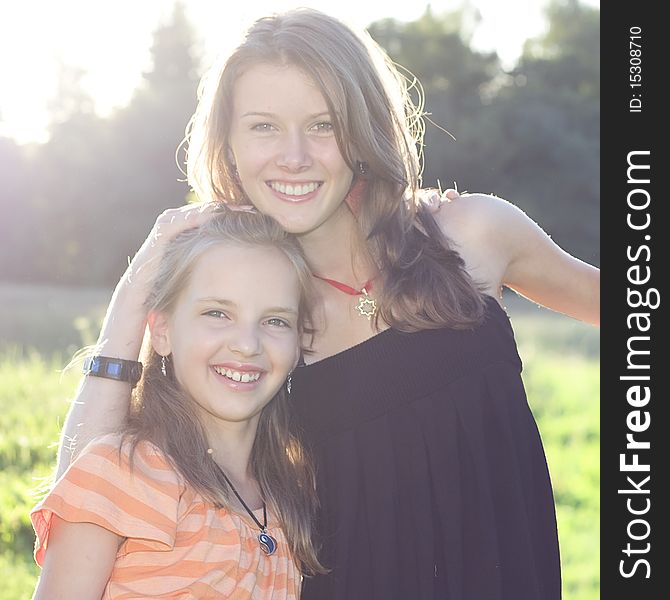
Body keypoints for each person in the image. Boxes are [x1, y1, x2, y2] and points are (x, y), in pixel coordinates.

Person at [53, 8, 599, 600]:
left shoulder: (475, 234)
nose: (294, 157)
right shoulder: (259, 315)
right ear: (228, 146)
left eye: (322, 125)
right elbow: (90, 495)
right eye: (263, 126)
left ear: (364, 132)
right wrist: (131, 301)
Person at [31, 209, 325, 599]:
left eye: (275, 321)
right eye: (217, 313)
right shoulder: (123, 473)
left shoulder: (292, 491)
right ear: (163, 331)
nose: (247, 344)